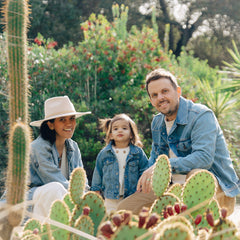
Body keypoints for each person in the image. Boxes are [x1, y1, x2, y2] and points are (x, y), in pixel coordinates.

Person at [117, 68, 240, 215]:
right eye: (154, 95)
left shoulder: (201, 115)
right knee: (124, 211)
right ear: (151, 100)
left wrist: (164, 166)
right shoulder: (157, 122)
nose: (160, 97)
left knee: (196, 173)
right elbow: (156, 159)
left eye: (165, 91)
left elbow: (203, 158)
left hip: (214, 191)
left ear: (178, 91)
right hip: (172, 189)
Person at [28, 96, 91, 219]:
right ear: (51, 125)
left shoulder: (73, 146)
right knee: (55, 188)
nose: (69, 123)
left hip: (59, 201)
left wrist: (89, 198)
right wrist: (82, 199)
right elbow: (53, 180)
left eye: (72, 118)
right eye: (62, 119)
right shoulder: (37, 148)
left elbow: (81, 182)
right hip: (29, 203)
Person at [91, 114, 149, 213]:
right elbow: (98, 172)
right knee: (111, 219)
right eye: (116, 129)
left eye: (124, 128)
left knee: (128, 220)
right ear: (111, 135)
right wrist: (96, 190)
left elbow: (144, 170)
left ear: (131, 134)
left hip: (131, 196)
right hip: (111, 198)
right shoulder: (104, 153)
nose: (120, 130)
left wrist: (142, 189)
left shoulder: (138, 153)